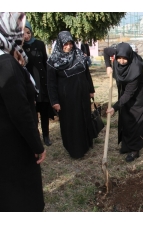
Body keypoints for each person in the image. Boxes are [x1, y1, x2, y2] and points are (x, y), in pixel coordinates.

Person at [0, 12, 46, 212]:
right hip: (14, 144)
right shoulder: (7, 64)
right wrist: (37, 145)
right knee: (21, 197)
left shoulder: (11, 59)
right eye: (18, 28)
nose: (21, 33)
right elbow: (20, 111)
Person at [47, 31, 95, 159]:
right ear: (59, 44)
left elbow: (87, 74)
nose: (68, 47)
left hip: (82, 95)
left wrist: (91, 89)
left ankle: (86, 143)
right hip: (67, 99)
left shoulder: (79, 54)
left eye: (70, 43)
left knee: (84, 118)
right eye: (65, 44)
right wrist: (55, 101)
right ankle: (75, 150)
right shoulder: (53, 61)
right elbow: (51, 84)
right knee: (72, 122)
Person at [104, 42, 143, 162]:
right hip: (125, 90)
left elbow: (129, 94)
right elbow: (105, 51)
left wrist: (114, 107)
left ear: (129, 56)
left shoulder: (136, 68)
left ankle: (135, 149)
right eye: (119, 58)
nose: (122, 61)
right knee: (125, 117)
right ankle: (126, 146)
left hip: (139, 95)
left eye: (125, 58)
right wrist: (108, 65)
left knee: (136, 120)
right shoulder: (115, 52)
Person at [23, 20, 55, 146]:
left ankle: (46, 136)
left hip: (42, 84)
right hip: (29, 85)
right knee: (33, 113)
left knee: (44, 111)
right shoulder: (19, 47)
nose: (26, 35)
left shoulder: (40, 44)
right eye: (23, 33)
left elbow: (45, 63)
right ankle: (36, 136)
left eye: (28, 32)